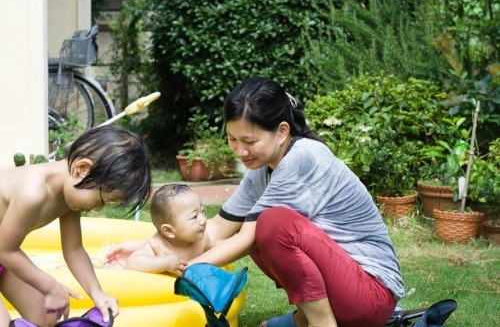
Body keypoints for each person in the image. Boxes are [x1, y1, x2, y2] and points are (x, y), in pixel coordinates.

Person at [107, 77, 404, 327]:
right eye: (232, 139)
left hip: (371, 293)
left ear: (282, 131)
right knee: (266, 225)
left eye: (249, 141)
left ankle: (320, 322)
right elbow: (216, 230)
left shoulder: (302, 158)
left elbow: (246, 240)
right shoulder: (262, 168)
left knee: (273, 225)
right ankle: (304, 317)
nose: (240, 151)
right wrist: (154, 246)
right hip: (346, 284)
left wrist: (182, 268)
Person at [0, 125, 151, 327]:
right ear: (82, 169)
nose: (97, 209)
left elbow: (74, 249)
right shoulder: (32, 191)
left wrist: (96, 292)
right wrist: (51, 286)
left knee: (47, 317)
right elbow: (6, 250)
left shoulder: (69, 197)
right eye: (102, 200)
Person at [104, 184, 212, 275]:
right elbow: (132, 263)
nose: (203, 220)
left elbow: (217, 251)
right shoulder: (156, 246)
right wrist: (164, 263)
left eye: (202, 211)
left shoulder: (202, 240)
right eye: (194, 217)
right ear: (168, 231)